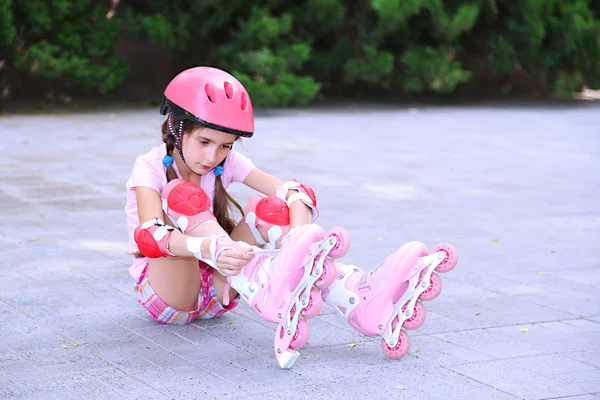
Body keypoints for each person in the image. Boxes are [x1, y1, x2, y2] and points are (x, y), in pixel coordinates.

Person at [125, 66, 459, 369]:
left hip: (221, 289)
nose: (213, 156)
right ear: (174, 124)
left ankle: (360, 298)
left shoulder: (227, 163)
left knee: (269, 207)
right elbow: (149, 234)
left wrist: (298, 244)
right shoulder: (151, 166)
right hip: (171, 296)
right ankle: (267, 272)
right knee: (181, 196)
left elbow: (293, 191)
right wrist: (211, 248)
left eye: (226, 146)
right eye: (204, 142)